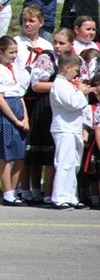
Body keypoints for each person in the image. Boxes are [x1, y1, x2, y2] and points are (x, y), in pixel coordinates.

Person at [23, 28, 74, 205]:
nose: (58, 46)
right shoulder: (47, 58)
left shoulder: (74, 60)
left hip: (64, 107)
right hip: (45, 106)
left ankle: (53, 192)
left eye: (62, 43)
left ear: (70, 44)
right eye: (56, 42)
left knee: (56, 153)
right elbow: (37, 85)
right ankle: (35, 189)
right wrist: (62, 84)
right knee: (40, 150)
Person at [0, 35, 30, 206]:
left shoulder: (14, 69)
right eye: (11, 52)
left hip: (18, 109)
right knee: (6, 156)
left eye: (16, 52)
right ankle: (7, 193)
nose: (14, 55)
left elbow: (19, 95)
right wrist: (15, 120)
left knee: (20, 156)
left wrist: (24, 118)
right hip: (6, 115)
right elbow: (0, 99)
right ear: (1, 52)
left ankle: (14, 190)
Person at [49, 51, 91, 209]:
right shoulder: (59, 84)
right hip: (63, 128)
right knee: (64, 162)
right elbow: (72, 103)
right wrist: (80, 91)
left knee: (74, 163)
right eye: (75, 70)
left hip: (73, 128)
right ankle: (59, 197)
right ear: (67, 68)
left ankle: (71, 196)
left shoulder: (67, 84)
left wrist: (81, 92)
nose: (77, 74)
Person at [13, 6, 53, 73]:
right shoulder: (15, 42)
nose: (27, 24)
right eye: (25, 20)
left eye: (31, 21)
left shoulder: (47, 45)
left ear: (41, 23)